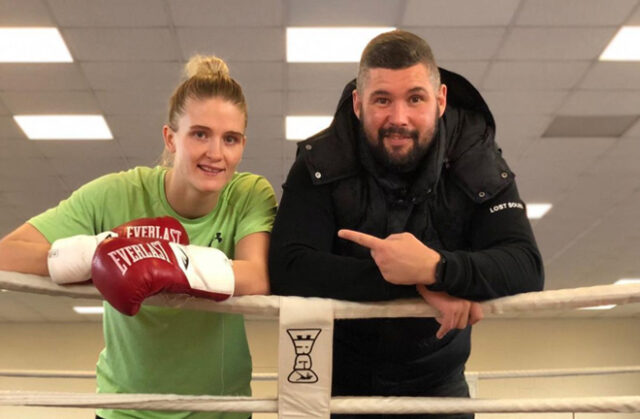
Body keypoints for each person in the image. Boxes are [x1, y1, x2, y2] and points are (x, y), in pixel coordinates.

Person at [268, 30, 544, 419]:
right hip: (340, 385)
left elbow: (526, 267)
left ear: (441, 100)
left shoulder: (474, 156)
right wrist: (416, 283)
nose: (399, 119)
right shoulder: (320, 160)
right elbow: (288, 268)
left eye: (415, 98)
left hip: (438, 382)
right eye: (382, 100)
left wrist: (438, 268)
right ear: (359, 104)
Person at [0, 55, 277, 419]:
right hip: (126, 409)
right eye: (199, 134)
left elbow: (256, 276)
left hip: (220, 410)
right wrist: (102, 254)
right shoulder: (116, 193)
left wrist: (169, 262)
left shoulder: (249, 193)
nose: (216, 153)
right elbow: (7, 254)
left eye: (231, 139)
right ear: (170, 138)